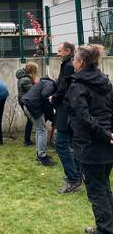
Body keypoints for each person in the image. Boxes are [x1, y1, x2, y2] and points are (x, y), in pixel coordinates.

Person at [65, 45, 113, 234]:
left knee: (96, 190)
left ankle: (104, 229)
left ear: (82, 62)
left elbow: (84, 118)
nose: (72, 62)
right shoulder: (105, 82)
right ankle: (108, 226)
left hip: (91, 146)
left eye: (74, 58)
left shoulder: (78, 86)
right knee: (104, 186)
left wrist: (107, 135)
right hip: (107, 143)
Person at [50, 42, 82, 194]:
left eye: (60, 51)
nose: (58, 53)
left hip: (66, 109)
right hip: (70, 109)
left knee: (61, 144)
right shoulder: (68, 64)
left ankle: (73, 178)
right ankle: (78, 174)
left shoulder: (69, 66)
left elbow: (64, 86)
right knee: (72, 143)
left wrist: (53, 98)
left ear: (68, 51)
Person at [22, 76, 57, 166]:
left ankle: (40, 154)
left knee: (39, 129)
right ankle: (42, 157)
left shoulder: (45, 82)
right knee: (42, 130)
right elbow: (45, 95)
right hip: (32, 106)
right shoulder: (51, 84)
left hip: (29, 104)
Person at [16, 62, 39, 146]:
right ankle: (27, 141)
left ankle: (27, 140)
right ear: (31, 69)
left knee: (30, 120)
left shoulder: (24, 77)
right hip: (25, 101)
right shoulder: (25, 79)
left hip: (23, 100)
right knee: (30, 120)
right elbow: (32, 92)